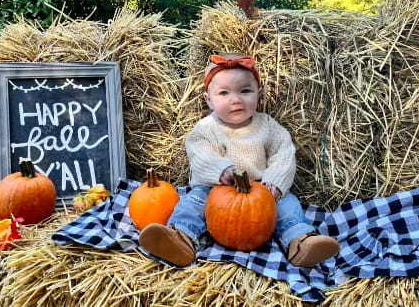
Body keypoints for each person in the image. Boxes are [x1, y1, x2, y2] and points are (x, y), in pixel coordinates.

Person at [138, 53, 340, 267]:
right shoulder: (206, 129)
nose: (236, 99)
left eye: (245, 91)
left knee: (288, 205)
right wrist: (220, 169)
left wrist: (276, 181)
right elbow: (199, 153)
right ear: (209, 99)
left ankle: (300, 241)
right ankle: (181, 238)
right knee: (193, 202)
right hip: (215, 188)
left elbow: (284, 152)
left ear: (258, 94)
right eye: (224, 93)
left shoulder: (268, 126)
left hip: (263, 191)